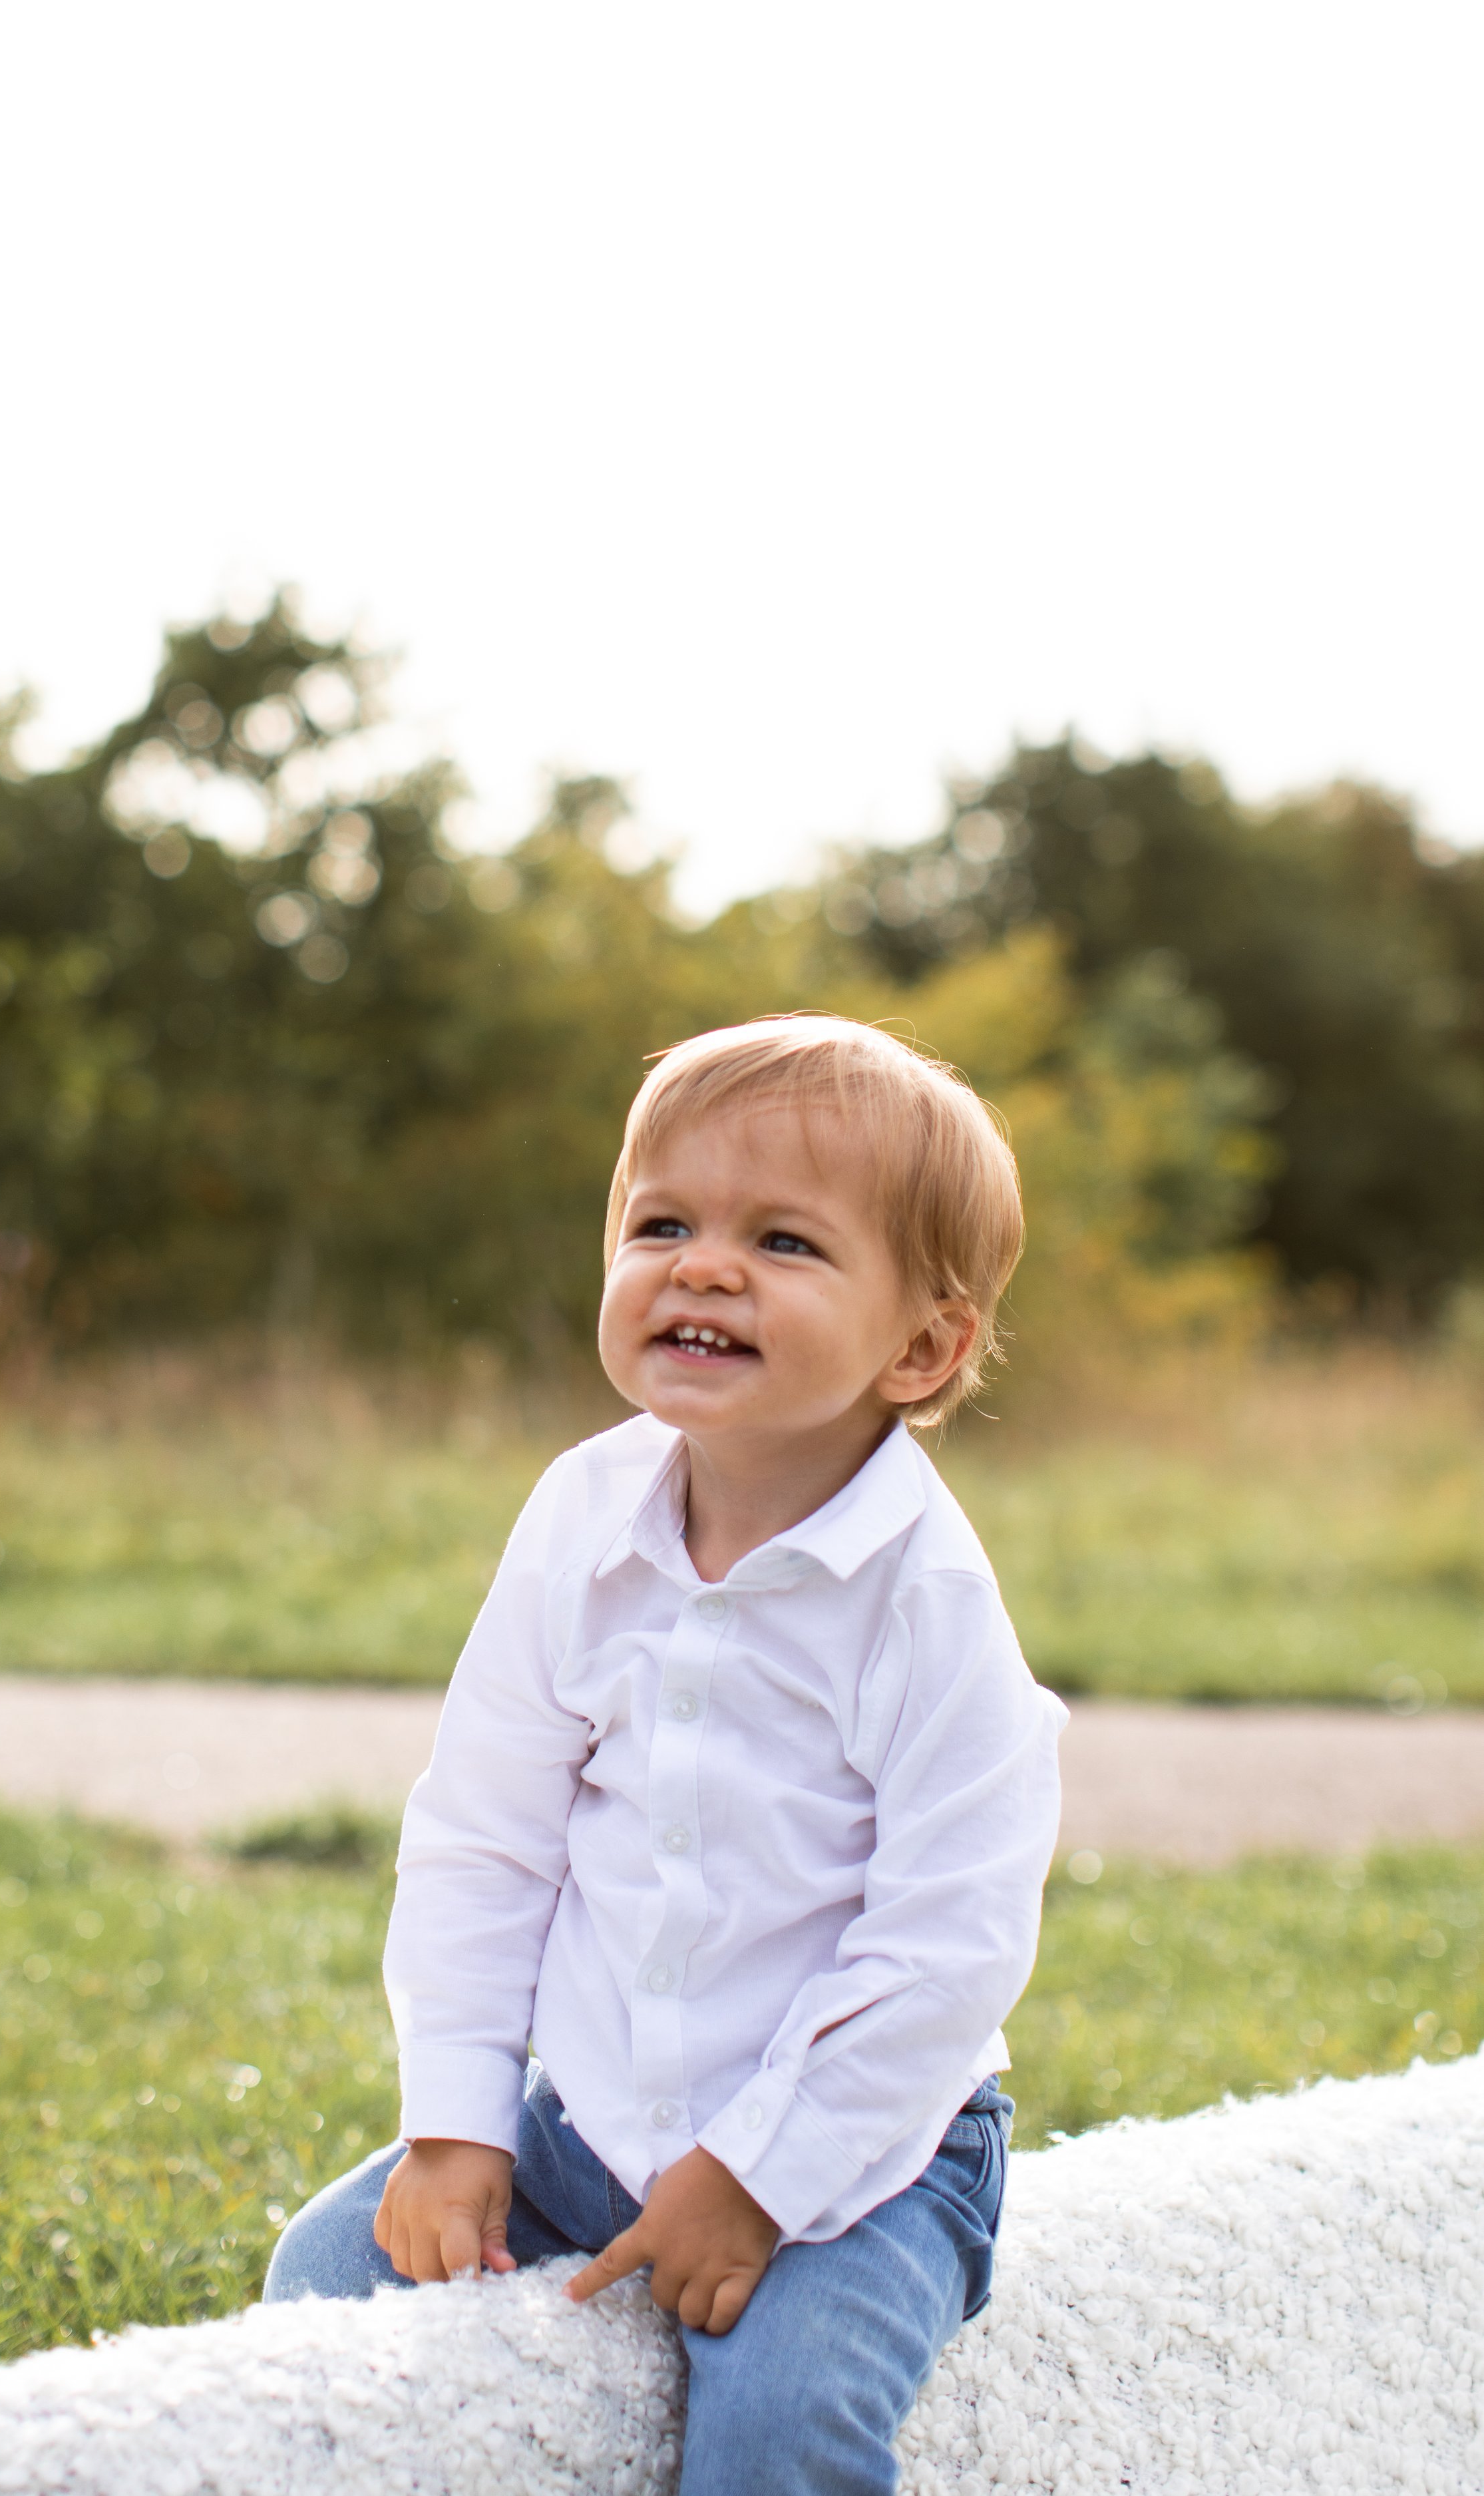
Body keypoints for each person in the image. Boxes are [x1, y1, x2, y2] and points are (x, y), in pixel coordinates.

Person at [266, 1015, 1067, 2495]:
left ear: (922, 1346)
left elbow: (943, 1950)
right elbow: (484, 1836)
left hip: (865, 2157)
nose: (700, 1267)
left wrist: (755, 2182)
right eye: (661, 1224)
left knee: (778, 2418)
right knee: (324, 2277)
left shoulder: (928, 1608)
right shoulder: (581, 1519)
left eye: (783, 1241)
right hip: (589, 2119)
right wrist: (453, 2119)